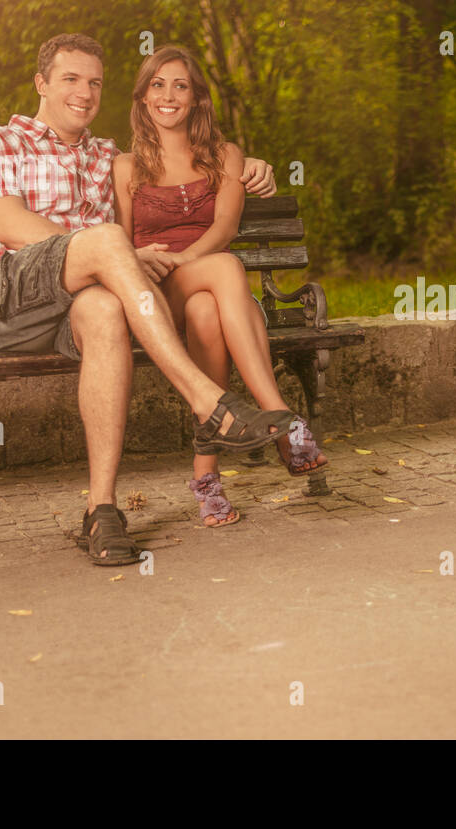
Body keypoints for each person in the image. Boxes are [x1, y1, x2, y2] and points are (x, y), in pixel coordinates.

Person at [0, 32, 299, 565]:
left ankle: (102, 509)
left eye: (94, 82)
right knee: (108, 242)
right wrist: (107, 252)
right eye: (70, 79)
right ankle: (208, 403)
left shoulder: (106, 157)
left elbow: (186, 166)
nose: (84, 92)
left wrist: (255, 167)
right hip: (5, 296)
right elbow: (7, 224)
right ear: (41, 83)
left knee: (107, 307)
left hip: (78, 301)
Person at [112, 44, 327, 527]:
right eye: (158, 85)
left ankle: (207, 482)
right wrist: (169, 264)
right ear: (144, 98)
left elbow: (226, 226)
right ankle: (282, 421)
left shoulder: (225, 155)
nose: (168, 95)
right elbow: (122, 243)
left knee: (211, 305)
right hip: (158, 291)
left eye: (180, 85)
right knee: (227, 269)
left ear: (196, 99)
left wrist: (191, 258)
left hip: (211, 286)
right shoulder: (126, 166)